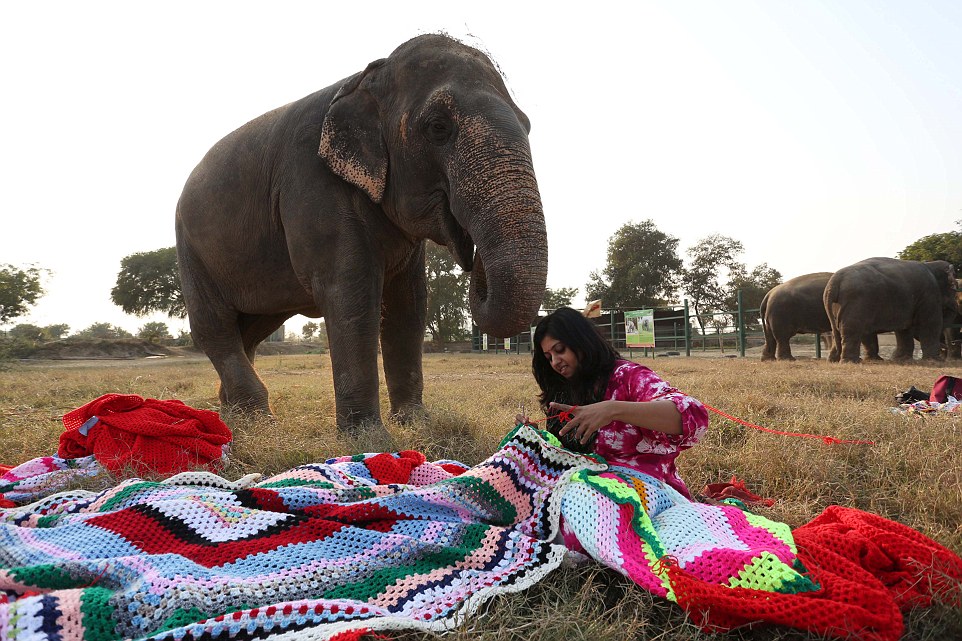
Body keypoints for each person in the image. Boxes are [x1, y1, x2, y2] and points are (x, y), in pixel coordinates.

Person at [516, 307, 709, 499]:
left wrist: (613, 409)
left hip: (643, 491)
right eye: (548, 357)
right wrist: (537, 439)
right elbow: (564, 455)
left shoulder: (627, 376)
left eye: (560, 350)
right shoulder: (564, 389)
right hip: (580, 488)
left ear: (581, 340)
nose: (555, 362)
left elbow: (693, 417)